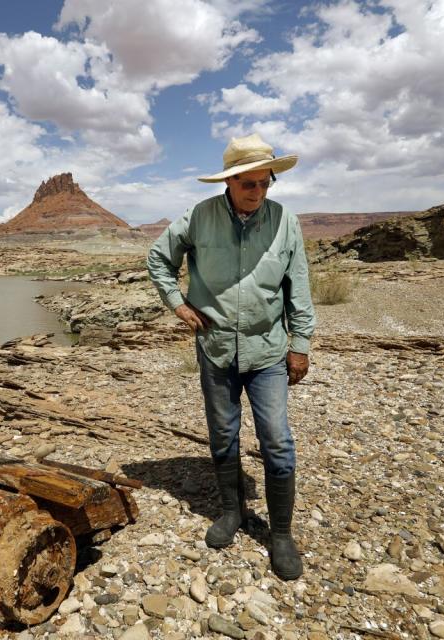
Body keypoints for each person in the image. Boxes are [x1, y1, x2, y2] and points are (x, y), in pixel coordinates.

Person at [146, 133, 316, 581]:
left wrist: (301, 345)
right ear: (230, 182)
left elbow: (297, 285)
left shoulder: (285, 222)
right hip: (215, 349)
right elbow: (158, 258)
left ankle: (280, 534)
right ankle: (230, 512)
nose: (257, 193)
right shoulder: (199, 217)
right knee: (222, 435)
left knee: (277, 440)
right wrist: (177, 304)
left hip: (268, 353)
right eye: (249, 184)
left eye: (265, 184)